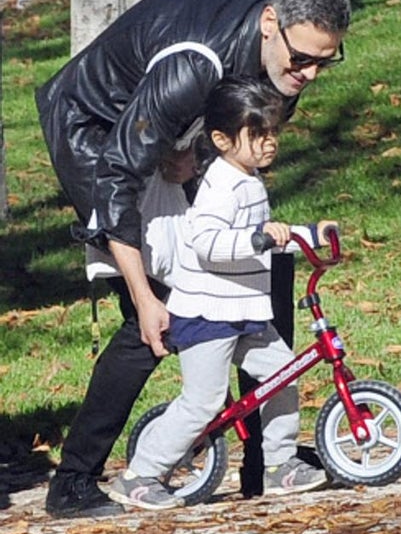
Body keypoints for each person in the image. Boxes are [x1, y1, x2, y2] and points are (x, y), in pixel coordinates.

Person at [36, 0, 351, 518]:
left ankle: (267, 462)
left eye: (327, 61)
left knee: (261, 263)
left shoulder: (284, 61)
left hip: (163, 132)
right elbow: (117, 175)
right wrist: (142, 292)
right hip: (94, 130)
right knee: (160, 311)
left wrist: (195, 154)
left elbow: (230, 154)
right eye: (303, 59)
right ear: (270, 24)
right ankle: (74, 483)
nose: (310, 74)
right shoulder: (194, 64)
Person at [109, 76, 335, 510]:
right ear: (221, 139)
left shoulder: (248, 179)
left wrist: (312, 235)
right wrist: (257, 240)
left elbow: (269, 236)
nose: (269, 143)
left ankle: (280, 463)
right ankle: (141, 474)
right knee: (203, 401)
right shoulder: (219, 185)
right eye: (258, 134)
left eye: (273, 133)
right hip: (207, 314)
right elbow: (207, 243)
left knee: (283, 374)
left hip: (245, 311)